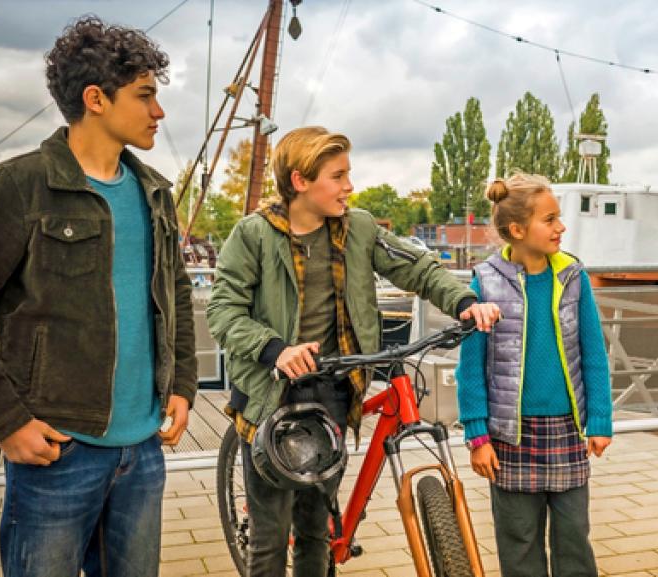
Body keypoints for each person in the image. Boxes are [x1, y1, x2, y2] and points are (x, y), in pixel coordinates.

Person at [206, 126, 501, 576]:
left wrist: (463, 303)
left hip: (332, 393)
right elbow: (223, 312)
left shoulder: (357, 228)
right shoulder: (254, 235)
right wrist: (275, 349)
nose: (349, 187)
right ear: (301, 181)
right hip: (271, 396)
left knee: (316, 529)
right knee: (268, 539)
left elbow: (417, 268)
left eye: (349, 174)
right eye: (338, 176)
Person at [0, 16, 197, 576]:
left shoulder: (154, 191)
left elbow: (174, 288)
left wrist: (181, 384)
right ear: (97, 98)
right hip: (58, 449)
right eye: (146, 95)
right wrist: (5, 420)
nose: (159, 111)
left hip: (144, 452)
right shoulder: (18, 186)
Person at [456, 173, 613, 577]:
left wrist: (600, 420)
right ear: (518, 229)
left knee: (573, 537)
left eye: (559, 218)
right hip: (509, 438)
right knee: (519, 543)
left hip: (565, 431)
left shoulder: (573, 277)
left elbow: (593, 353)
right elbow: (471, 367)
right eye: (550, 219)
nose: (561, 227)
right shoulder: (485, 282)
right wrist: (478, 437)